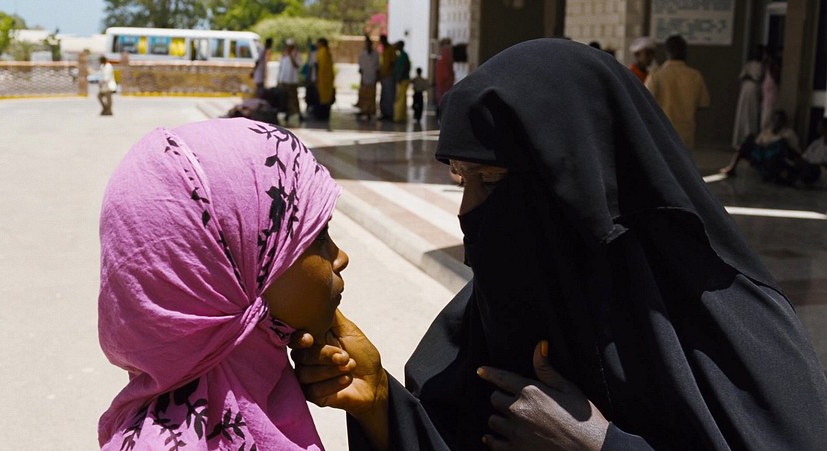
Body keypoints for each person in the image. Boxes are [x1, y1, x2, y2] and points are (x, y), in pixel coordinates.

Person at [290, 39, 827, 450]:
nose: (467, 211)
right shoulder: (500, 304)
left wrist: (599, 445)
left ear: (573, 186)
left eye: (492, 181)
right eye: (460, 179)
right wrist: (381, 406)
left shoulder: (732, 324)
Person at [97, 117, 346, 449]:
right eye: (319, 238)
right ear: (233, 275)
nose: (341, 257)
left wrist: (380, 411)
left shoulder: (267, 389)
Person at [645, 34, 710, 149]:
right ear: (685, 52)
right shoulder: (695, 76)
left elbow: (644, 101)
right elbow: (703, 104)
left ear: (667, 52)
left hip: (661, 133)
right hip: (685, 135)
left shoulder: (656, 75)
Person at [720, 109, 802, 183]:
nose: (776, 122)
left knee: (781, 144)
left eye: (779, 120)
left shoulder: (789, 134)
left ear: (783, 122)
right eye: (775, 120)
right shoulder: (767, 132)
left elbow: (794, 150)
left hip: (777, 158)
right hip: (762, 156)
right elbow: (757, 144)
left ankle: (772, 174)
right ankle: (732, 168)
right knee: (748, 142)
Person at [731, 46, 764, 149]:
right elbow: (742, 76)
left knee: (752, 114)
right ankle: (741, 139)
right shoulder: (748, 64)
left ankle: (750, 139)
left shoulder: (763, 66)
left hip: (754, 90)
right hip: (746, 90)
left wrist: (752, 77)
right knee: (743, 113)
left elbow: (759, 78)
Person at [278, 38, 302, 125]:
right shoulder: (283, 55)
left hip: (292, 81)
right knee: (286, 99)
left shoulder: (296, 54)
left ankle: (298, 114)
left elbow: (297, 65)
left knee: (294, 98)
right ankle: (287, 115)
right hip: (284, 80)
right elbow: (281, 68)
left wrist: (291, 56)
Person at [356, 36, 379, 121]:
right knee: (364, 96)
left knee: (371, 96)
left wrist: (377, 78)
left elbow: (377, 68)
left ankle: (371, 112)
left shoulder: (376, 55)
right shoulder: (362, 55)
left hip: (372, 78)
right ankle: (364, 111)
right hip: (365, 78)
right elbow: (361, 68)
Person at [312, 37, 335, 122]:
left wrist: (316, 78)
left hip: (322, 79)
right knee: (326, 97)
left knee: (321, 97)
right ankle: (324, 114)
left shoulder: (322, 52)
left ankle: (321, 115)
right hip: (327, 80)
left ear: (321, 43)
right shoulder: (327, 52)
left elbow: (318, 66)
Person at [434, 38, 455, 119]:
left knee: (442, 96)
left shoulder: (444, 54)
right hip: (444, 79)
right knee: (443, 97)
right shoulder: (445, 53)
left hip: (444, 79)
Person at [378, 35, 396, 121]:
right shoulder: (384, 50)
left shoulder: (390, 49)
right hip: (384, 76)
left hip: (389, 76)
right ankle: (384, 113)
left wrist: (389, 72)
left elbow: (393, 62)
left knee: (389, 96)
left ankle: (389, 114)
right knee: (384, 96)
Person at [392, 41, 411, 122]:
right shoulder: (401, 55)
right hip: (403, 79)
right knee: (402, 98)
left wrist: (399, 77)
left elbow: (404, 68)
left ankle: (398, 117)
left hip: (403, 80)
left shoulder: (403, 56)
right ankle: (402, 116)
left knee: (400, 98)